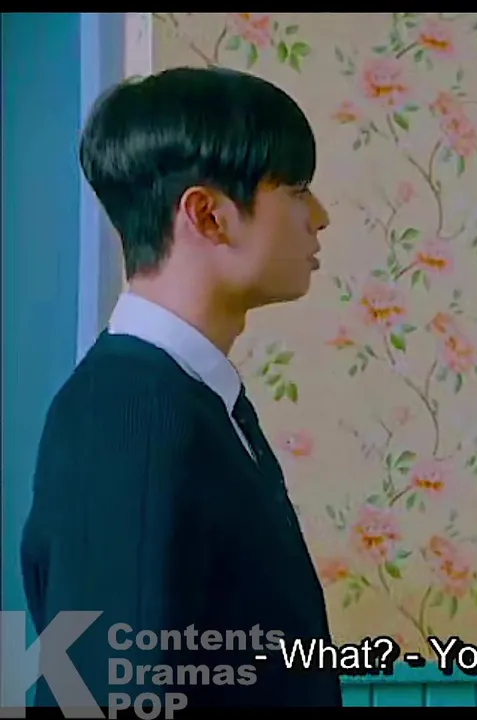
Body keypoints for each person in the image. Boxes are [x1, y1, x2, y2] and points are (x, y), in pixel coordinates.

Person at [21, 67, 341, 707]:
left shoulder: (188, 397)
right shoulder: (131, 413)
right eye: (297, 190)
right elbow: (100, 691)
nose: (320, 216)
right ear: (208, 214)